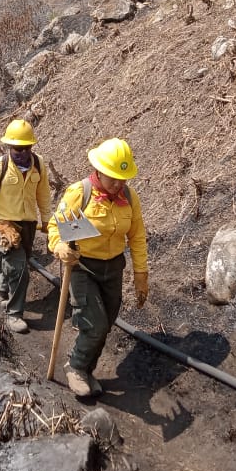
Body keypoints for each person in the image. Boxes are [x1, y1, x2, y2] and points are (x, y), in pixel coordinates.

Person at [47, 138, 148, 398]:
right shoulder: (79, 193)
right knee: (95, 323)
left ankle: (87, 369)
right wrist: (60, 248)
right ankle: (76, 367)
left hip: (113, 267)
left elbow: (136, 236)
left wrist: (141, 274)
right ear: (99, 171)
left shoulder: (129, 197)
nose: (118, 184)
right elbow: (55, 228)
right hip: (81, 267)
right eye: (113, 177)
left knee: (108, 320)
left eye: (123, 178)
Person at [0, 119, 51, 333]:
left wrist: (46, 219)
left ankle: (2, 284)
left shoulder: (39, 164)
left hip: (29, 223)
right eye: (17, 148)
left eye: (26, 148)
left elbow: (43, 194)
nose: (22, 153)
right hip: (5, 223)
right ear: (9, 146)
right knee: (20, 269)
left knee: (18, 263)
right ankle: (14, 313)